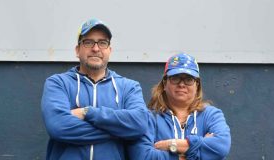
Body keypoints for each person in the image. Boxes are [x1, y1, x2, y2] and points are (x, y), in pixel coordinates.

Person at [41, 18, 148, 160]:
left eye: (102, 43)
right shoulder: (58, 83)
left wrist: (87, 112)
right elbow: (58, 127)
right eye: (88, 42)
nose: (96, 48)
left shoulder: (129, 87)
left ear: (110, 50)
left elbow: (139, 124)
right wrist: (120, 129)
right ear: (77, 50)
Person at [128, 53, 231, 160]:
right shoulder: (149, 118)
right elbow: (143, 156)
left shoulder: (211, 115)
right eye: (175, 78)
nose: (182, 84)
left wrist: (171, 144)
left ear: (197, 85)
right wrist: (194, 152)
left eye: (189, 79)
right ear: (164, 83)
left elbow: (221, 147)